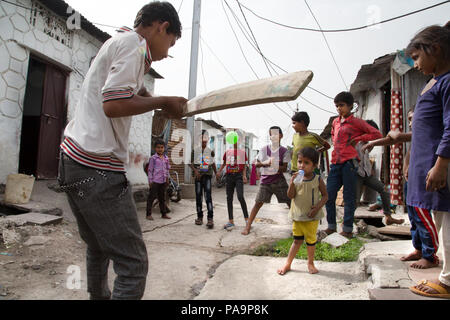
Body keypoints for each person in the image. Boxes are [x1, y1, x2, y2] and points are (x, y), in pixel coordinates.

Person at [58, 2, 186, 300]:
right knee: (133, 263)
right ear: (161, 27)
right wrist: (161, 102)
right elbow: (114, 104)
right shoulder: (134, 46)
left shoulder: (120, 41)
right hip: (96, 168)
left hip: (73, 159)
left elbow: (127, 90)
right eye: (171, 42)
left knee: (100, 247)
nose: (168, 52)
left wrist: (152, 98)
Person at [402, 22, 450, 299]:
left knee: (446, 220)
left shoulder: (447, 82)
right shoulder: (437, 82)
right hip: (430, 164)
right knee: (441, 218)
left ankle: (447, 281)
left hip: (439, 165)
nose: (416, 65)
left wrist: (441, 163)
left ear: (435, 48)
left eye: (418, 57)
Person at [325, 92, 382, 238]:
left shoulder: (356, 122)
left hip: (349, 163)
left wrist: (359, 138)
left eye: (342, 105)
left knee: (349, 197)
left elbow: (377, 134)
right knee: (328, 195)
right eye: (337, 106)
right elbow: (333, 136)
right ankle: (331, 226)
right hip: (335, 163)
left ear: (350, 106)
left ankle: (347, 229)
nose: (339, 109)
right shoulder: (335, 122)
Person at [277, 147, 328, 275]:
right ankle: (288, 263)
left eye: (306, 163)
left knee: (310, 241)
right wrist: (292, 183)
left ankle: (310, 263)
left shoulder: (317, 179)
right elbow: (290, 196)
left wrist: (317, 207)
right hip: (298, 216)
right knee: (296, 240)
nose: (302, 165)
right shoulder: (297, 178)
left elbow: (326, 196)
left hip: (311, 217)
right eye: (300, 162)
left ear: (314, 165)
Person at [242, 126, 291, 235]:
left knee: (290, 202)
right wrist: (267, 163)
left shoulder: (285, 151)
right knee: (258, 203)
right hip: (265, 181)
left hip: (279, 181)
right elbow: (256, 164)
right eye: (271, 134)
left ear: (281, 136)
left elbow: (284, 168)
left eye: (275, 134)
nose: (273, 136)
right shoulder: (264, 149)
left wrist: (274, 164)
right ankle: (248, 226)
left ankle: (299, 227)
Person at [355, 120, 404, 225]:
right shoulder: (356, 143)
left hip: (367, 174)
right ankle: (347, 224)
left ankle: (388, 216)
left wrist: (369, 169)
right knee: (354, 201)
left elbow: (366, 158)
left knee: (384, 190)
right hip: (357, 174)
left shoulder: (368, 144)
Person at [216, 131, 249, 230]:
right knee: (229, 198)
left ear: (238, 141)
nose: (235, 142)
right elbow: (224, 163)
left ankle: (247, 220)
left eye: (237, 140)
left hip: (238, 176)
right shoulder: (228, 152)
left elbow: (244, 167)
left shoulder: (242, 153)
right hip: (229, 176)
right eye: (233, 140)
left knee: (240, 197)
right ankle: (231, 221)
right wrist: (219, 171)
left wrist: (244, 176)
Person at [189, 130, 217, 229]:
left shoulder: (210, 151)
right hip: (198, 177)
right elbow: (189, 162)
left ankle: (210, 219)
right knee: (198, 196)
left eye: (206, 137)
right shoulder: (195, 151)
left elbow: (213, 163)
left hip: (208, 176)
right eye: (202, 137)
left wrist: (217, 173)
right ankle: (199, 217)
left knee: (208, 197)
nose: (204, 139)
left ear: (208, 139)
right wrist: (195, 171)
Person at [146, 139, 171, 220]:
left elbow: (167, 169)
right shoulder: (153, 158)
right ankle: (148, 214)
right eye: (158, 147)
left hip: (163, 181)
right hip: (155, 181)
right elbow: (150, 170)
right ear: (155, 148)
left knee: (162, 198)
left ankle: (163, 214)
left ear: (164, 148)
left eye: (162, 147)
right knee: (151, 198)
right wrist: (150, 181)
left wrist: (167, 179)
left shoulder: (166, 158)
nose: (160, 149)